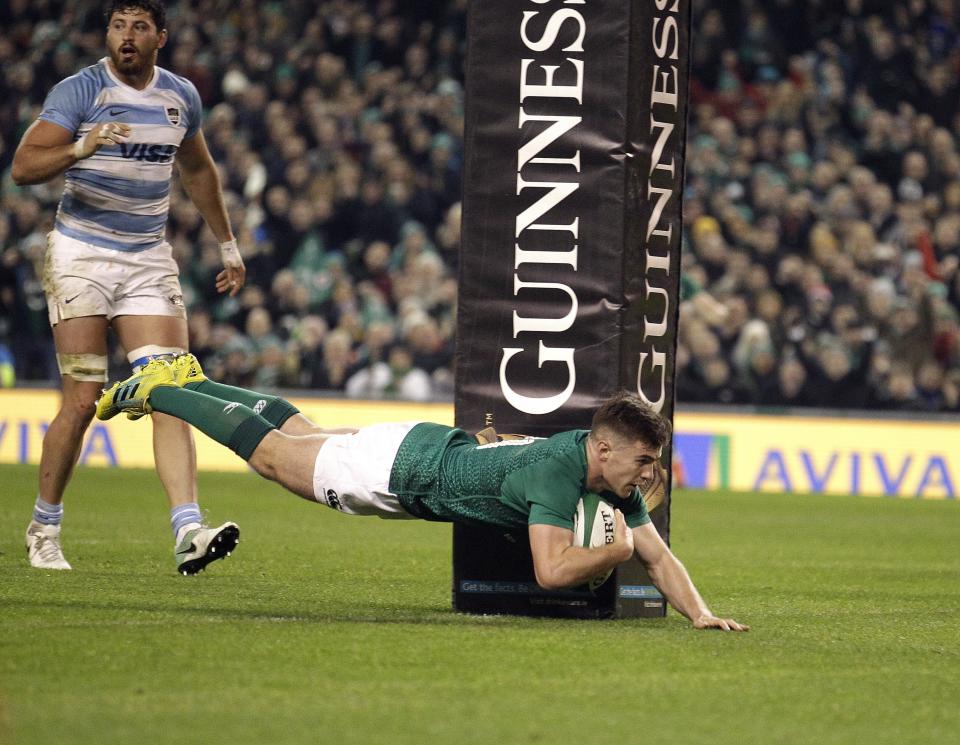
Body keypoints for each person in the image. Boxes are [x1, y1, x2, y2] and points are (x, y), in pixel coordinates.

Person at [96, 355, 749, 631]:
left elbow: (658, 556)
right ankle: (159, 391)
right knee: (271, 456)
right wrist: (609, 555)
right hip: (400, 474)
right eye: (644, 461)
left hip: (426, 445)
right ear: (606, 449)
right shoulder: (561, 473)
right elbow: (552, 572)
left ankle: (194, 379)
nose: (649, 474)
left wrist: (699, 612)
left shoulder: (603, 468)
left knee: (298, 433)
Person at [10, 1, 245, 574]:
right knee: (84, 399)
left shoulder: (179, 96)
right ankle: (44, 526)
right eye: (118, 26)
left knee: (172, 387)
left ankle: (189, 531)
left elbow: (197, 169)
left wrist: (228, 243)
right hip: (81, 254)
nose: (127, 36)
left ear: (160, 36)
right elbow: (22, 166)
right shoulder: (81, 91)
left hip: (146, 258)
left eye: (139, 26)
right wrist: (79, 148)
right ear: (108, 36)